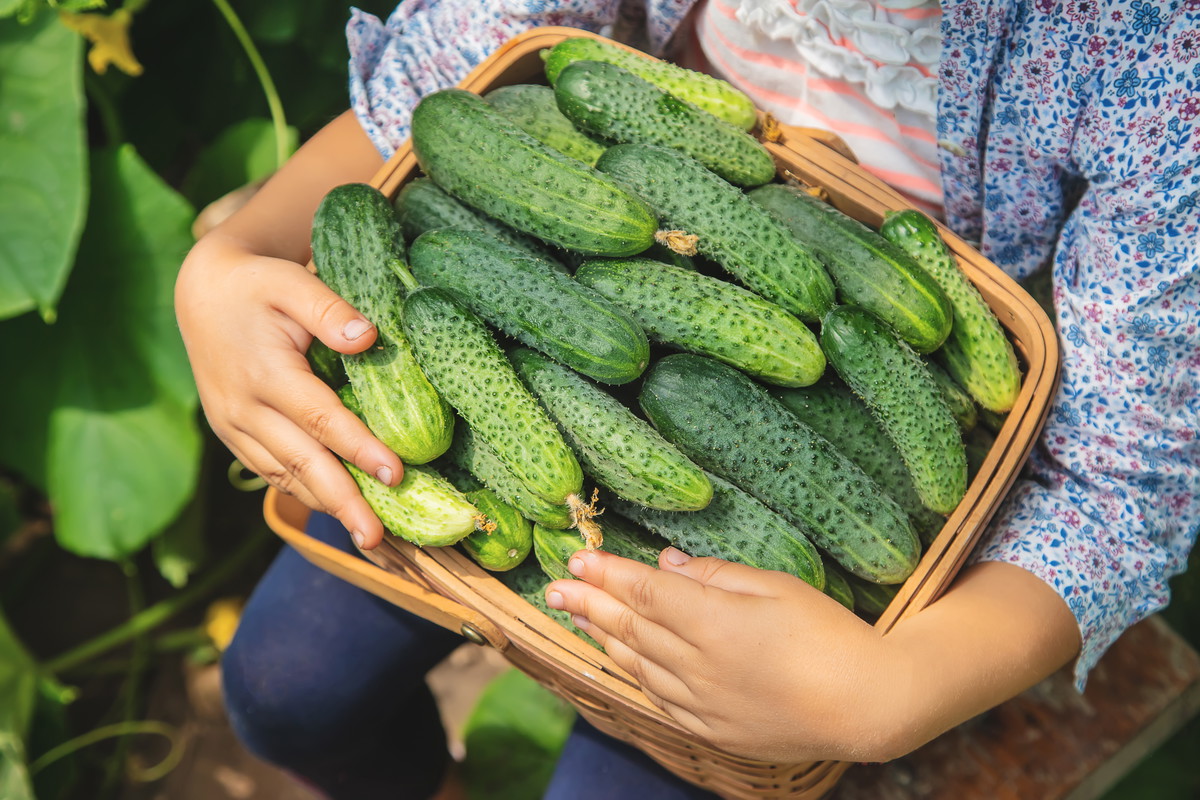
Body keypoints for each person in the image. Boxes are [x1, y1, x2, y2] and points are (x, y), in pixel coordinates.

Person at [174, 0, 1199, 797]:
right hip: (553, 343)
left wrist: (887, 694)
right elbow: (431, 96)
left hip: (817, 574)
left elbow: (1118, 487)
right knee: (282, 685)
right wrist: (228, 258)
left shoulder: (1155, 62)